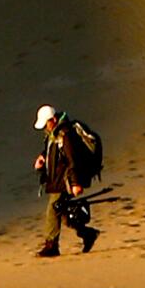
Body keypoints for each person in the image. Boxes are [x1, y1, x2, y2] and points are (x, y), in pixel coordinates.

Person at [32, 104, 98, 257]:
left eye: (46, 124)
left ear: (53, 120)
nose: (45, 129)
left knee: (53, 209)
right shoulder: (53, 134)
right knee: (62, 212)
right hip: (57, 179)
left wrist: (75, 183)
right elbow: (51, 150)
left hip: (65, 180)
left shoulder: (65, 134)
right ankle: (87, 233)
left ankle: (51, 245)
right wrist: (42, 157)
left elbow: (72, 159)